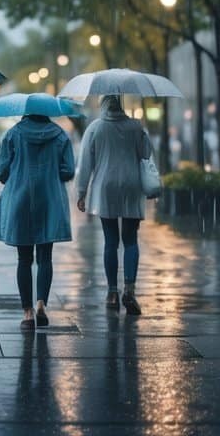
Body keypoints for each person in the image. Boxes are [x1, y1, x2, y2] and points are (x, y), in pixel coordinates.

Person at [0, 112, 75, 330]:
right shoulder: (60, 136)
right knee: (45, 257)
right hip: (50, 200)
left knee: (24, 258)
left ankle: (27, 313)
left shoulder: (12, 134)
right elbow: (68, 171)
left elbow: (0, 170)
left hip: (20, 199)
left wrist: (15, 176)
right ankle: (41, 304)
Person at [75, 94, 154, 314]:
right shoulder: (135, 127)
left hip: (105, 187)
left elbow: (85, 163)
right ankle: (129, 289)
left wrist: (81, 192)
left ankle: (111, 293)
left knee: (110, 241)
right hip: (131, 186)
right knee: (130, 240)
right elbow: (147, 154)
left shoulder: (95, 128)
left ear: (103, 105)